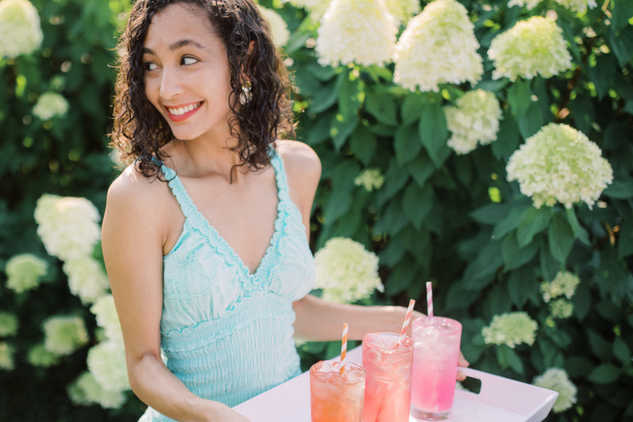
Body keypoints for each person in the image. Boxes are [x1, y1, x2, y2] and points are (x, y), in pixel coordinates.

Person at [101, 1, 468, 421]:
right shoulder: (141, 196)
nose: (166, 89)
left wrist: (404, 321)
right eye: (151, 65)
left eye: (188, 59)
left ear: (245, 60)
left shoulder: (296, 168)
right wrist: (210, 414)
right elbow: (143, 362)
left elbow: (287, 310)